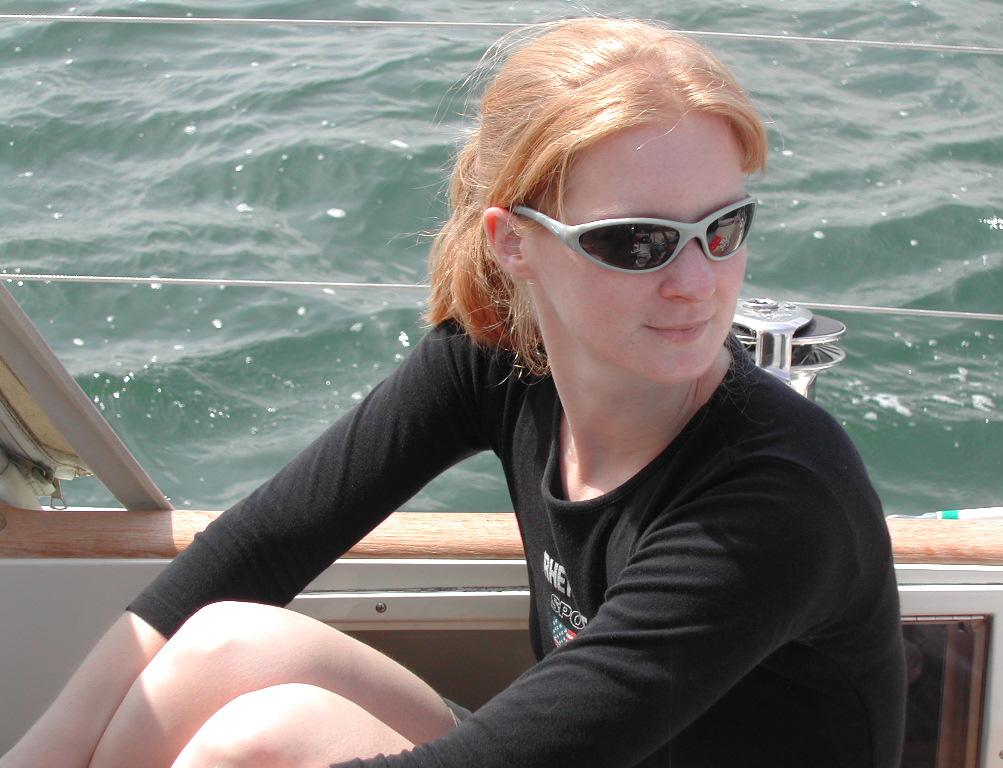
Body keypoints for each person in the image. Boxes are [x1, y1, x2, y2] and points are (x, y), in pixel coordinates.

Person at [0, 17, 906, 768]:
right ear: (515, 244)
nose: (697, 283)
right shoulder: (504, 361)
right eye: (638, 241)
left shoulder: (779, 503)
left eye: (724, 229)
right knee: (223, 642)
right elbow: (260, 547)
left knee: (262, 744)